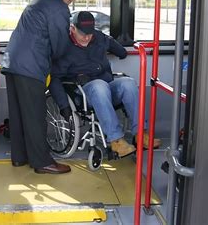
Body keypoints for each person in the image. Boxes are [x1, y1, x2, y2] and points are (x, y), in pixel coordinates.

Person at [49, 11, 161, 158]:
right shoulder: (63, 46)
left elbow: (121, 52)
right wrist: (63, 105)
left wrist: (117, 47)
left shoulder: (98, 37)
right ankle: (116, 141)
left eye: (90, 33)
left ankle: (141, 134)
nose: (87, 37)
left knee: (128, 83)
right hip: (83, 93)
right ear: (72, 28)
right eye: (83, 34)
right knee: (99, 86)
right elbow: (54, 78)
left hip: (106, 86)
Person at [1, 0, 79, 174]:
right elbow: (60, 43)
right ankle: (42, 162)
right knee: (35, 115)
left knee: (19, 113)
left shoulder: (40, 0)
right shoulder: (58, 7)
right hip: (30, 66)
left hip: (13, 62)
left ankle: (20, 157)